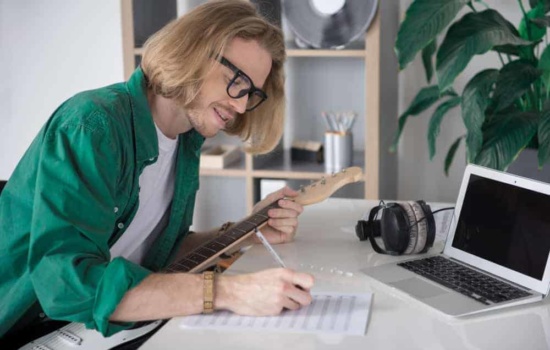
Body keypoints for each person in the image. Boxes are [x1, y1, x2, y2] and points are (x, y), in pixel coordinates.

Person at [0, 0, 314, 342]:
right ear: (193, 51)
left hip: (90, 329)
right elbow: (67, 286)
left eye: (251, 93)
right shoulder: (92, 127)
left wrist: (245, 232)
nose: (240, 105)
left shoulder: (185, 141)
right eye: (235, 81)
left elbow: (159, 253)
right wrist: (229, 292)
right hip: (25, 327)